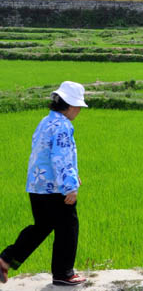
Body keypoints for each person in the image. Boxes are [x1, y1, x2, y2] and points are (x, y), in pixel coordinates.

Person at [0, 82, 89, 286]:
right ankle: (63, 274)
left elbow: (43, 154)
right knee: (68, 227)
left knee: (42, 226)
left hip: (37, 185)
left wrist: (73, 176)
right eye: (78, 107)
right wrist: (70, 186)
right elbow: (60, 157)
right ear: (71, 105)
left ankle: (6, 259)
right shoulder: (64, 126)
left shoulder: (45, 121)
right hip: (55, 189)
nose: (79, 111)